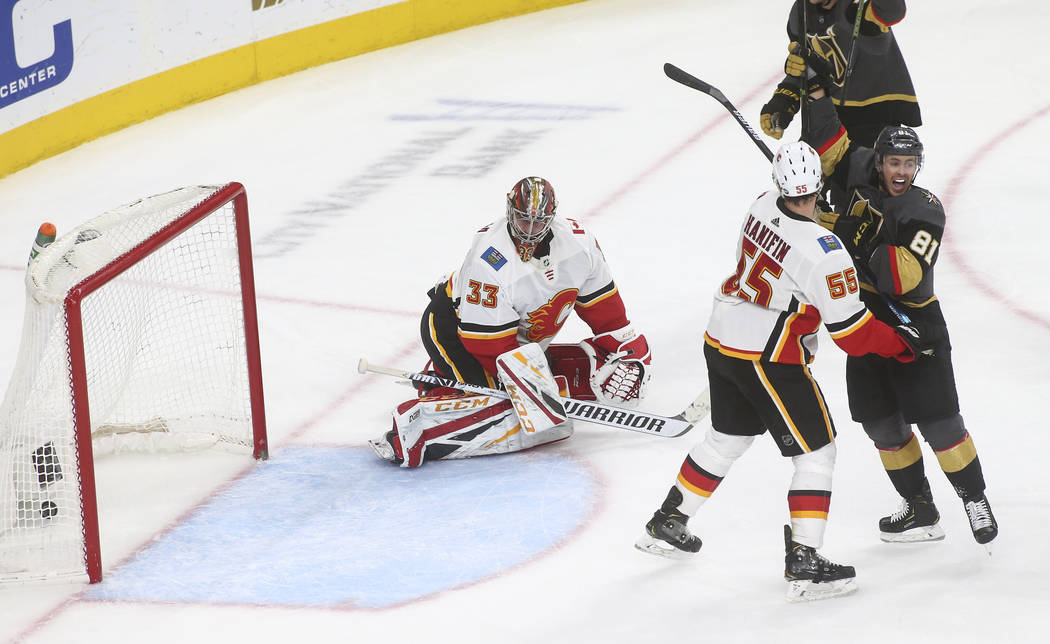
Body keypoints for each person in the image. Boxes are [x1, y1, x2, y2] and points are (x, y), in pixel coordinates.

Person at [634, 141, 929, 601]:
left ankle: (668, 520)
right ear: (817, 188)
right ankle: (805, 562)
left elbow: (789, 235)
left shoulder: (758, 204)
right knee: (817, 454)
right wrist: (900, 345)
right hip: (769, 357)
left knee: (725, 440)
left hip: (721, 338)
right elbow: (850, 333)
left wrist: (820, 225)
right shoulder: (825, 252)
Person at [801, 86, 998, 546]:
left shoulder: (925, 210)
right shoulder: (860, 166)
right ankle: (921, 509)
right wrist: (813, 94)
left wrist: (859, 238)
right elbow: (830, 143)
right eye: (894, 163)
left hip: (914, 324)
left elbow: (902, 278)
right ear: (880, 161)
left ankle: (973, 496)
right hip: (863, 321)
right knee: (881, 424)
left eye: (909, 165)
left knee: (939, 422)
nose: (902, 173)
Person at [368, 176, 653, 467]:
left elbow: (609, 317)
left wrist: (628, 353)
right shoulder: (489, 260)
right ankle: (416, 426)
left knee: (552, 400)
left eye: (538, 222)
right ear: (509, 212)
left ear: (551, 217)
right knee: (530, 416)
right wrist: (532, 395)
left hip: (519, 341)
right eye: (522, 220)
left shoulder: (581, 245)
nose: (529, 231)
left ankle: (449, 379)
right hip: (457, 334)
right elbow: (489, 346)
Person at [760, 0, 920, 150]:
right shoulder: (800, 12)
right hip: (828, 118)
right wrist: (784, 100)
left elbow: (893, 10)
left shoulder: (857, 8)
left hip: (875, 122)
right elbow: (808, 66)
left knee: (861, 176)